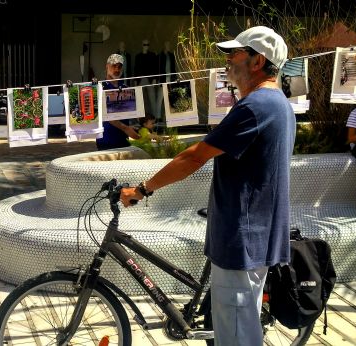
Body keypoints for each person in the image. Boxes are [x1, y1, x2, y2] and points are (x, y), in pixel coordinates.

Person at [121, 26, 293, 346]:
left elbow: (195, 157)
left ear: (257, 62)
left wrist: (142, 189)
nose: (227, 61)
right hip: (257, 234)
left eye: (235, 54)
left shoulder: (255, 107)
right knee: (240, 325)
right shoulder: (278, 103)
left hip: (242, 238)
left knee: (237, 336)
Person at [96, 54, 140, 150]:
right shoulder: (100, 87)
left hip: (123, 139)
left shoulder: (125, 88)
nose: (117, 70)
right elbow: (107, 116)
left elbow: (131, 113)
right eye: (114, 66)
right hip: (106, 139)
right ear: (107, 66)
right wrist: (126, 128)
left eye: (119, 67)